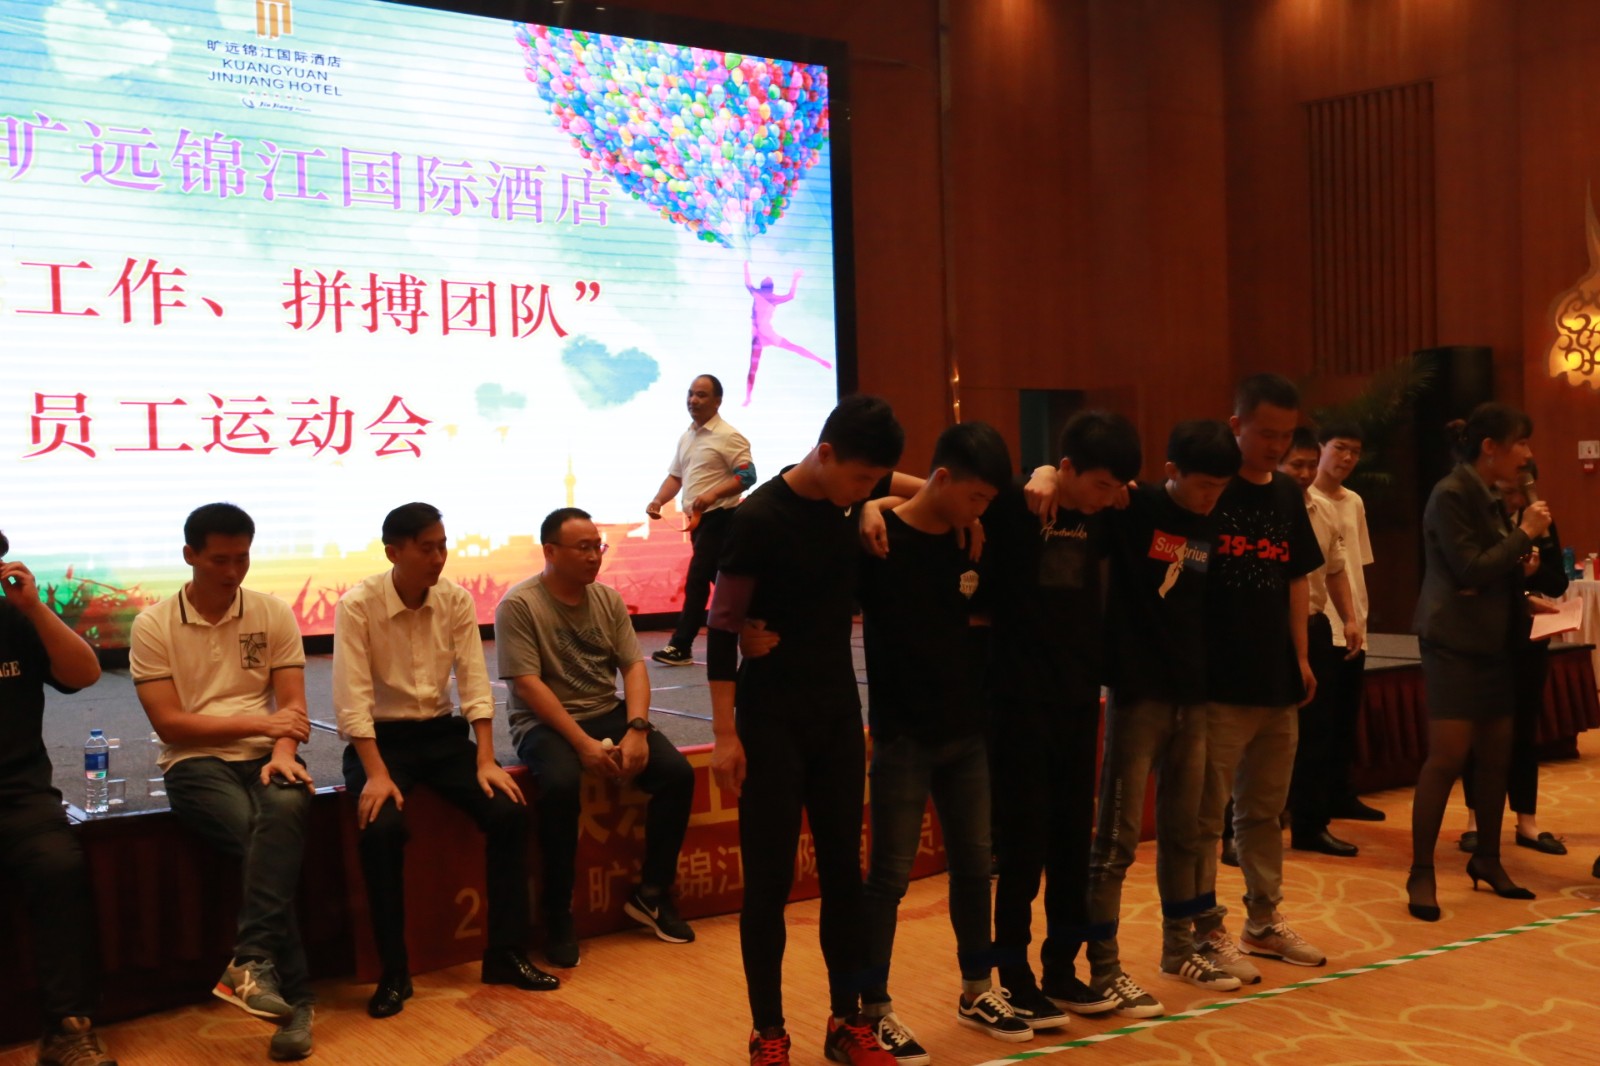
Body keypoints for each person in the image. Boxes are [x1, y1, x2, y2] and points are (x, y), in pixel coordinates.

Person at [706, 394, 905, 1066]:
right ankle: (768, 1031)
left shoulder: (853, 502)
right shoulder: (758, 518)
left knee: (844, 875)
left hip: (838, 716)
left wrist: (873, 501)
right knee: (768, 882)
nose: (866, 489)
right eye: (860, 479)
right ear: (824, 454)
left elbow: (912, 487)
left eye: (874, 481)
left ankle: (846, 1021)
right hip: (770, 720)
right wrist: (725, 735)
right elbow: (723, 626)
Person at [334, 503, 557, 1020]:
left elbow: (475, 681)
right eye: (426, 548)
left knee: (507, 811)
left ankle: (504, 954)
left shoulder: (455, 599)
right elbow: (351, 699)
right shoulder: (358, 605)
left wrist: (486, 758)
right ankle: (394, 971)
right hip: (381, 742)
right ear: (394, 552)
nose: (439, 558)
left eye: (442, 546)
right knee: (381, 829)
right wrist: (376, 774)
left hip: (440, 736)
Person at [856, 422, 1031, 1061]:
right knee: (889, 878)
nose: (981, 510)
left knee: (974, 869)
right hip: (904, 735)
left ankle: (977, 989)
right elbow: (841, 487)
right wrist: (870, 505)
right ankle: (874, 1009)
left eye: (988, 501)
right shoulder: (879, 537)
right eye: (975, 497)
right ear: (943, 478)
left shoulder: (968, 537)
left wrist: (979, 514)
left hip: (966, 733)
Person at [131, 503, 315, 1061]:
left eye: (242, 558)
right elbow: (172, 725)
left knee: (287, 807)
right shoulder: (153, 625)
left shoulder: (272, 612)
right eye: (219, 560)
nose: (233, 572)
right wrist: (266, 725)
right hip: (194, 762)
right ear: (190, 555)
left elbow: (293, 710)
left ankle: (250, 963)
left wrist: (283, 752)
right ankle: (298, 1001)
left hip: (264, 755)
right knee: (256, 834)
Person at [1082, 420, 1243, 1019]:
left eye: (1220, 488)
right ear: (1171, 471)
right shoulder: (1134, 507)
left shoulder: (1211, 520)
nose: (1210, 498)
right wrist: (1045, 473)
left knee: (1186, 831)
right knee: (1116, 840)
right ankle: (1103, 968)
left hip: (1192, 697)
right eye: (1202, 486)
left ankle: (1179, 950)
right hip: (1139, 696)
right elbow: (1068, 491)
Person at [499, 507, 696, 971]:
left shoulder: (606, 599)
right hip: (543, 722)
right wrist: (582, 744)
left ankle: (652, 893)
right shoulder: (520, 604)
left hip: (605, 712)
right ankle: (558, 914)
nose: (594, 556)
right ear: (550, 552)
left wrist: (637, 728)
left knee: (677, 774)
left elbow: (633, 667)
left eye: (597, 547)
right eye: (583, 548)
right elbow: (527, 685)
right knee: (562, 783)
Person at [994, 411, 1141, 1022]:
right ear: (1068, 468)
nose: (1107, 498)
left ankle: (1062, 969)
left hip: (1080, 700)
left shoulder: (1106, 512)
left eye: (1115, 488)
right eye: (1099, 484)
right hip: (1017, 701)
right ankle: (1012, 975)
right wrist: (1043, 472)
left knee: (1071, 845)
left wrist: (1101, 488)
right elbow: (926, 489)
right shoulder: (1018, 504)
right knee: (1022, 845)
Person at [1191, 375, 1326, 980]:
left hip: (1276, 680)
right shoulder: (1209, 490)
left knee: (1265, 812)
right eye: (1265, 433)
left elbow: (1296, 578)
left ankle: (1263, 921)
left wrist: (1301, 657)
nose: (1276, 446)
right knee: (1205, 817)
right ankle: (1203, 929)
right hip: (1218, 684)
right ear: (1235, 426)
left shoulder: (1288, 495)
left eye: (1286, 435)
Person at [1407, 403, 1553, 920]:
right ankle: (1421, 872)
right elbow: (1468, 567)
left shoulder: (1489, 495)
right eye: (1521, 443)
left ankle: (1488, 859)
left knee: (1495, 757)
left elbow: (1488, 571)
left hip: (1494, 640)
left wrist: (1521, 591)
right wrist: (1525, 533)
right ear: (1490, 448)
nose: (1527, 455)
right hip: (1453, 641)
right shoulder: (1451, 493)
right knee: (1446, 758)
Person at [0, 529, 114, 1066]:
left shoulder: (16, 620)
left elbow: (85, 673)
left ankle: (68, 1028)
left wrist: (36, 609)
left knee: (59, 868)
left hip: (20, 793)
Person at [1458, 466, 1569, 855]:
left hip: (1527, 639)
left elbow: (1559, 582)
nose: (1516, 499)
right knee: (1480, 730)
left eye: (1522, 490)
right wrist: (1516, 577)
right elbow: (1472, 575)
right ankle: (1474, 821)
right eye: (1508, 491)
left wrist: (1535, 572)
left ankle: (1527, 822)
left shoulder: (1541, 522)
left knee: (1524, 729)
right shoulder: (1482, 520)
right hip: (1486, 637)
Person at [1280, 428, 1366, 858]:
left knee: (1317, 732)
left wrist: (1349, 618)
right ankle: (1238, 831)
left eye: (1309, 465)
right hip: (1268, 629)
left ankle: (1311, 826)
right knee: (1258, 735)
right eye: (1296, 465)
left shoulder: (1325, 510)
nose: (1305, 473)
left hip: (1315, 625)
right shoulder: (1260, 509)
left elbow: (1335, 570)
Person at [646, 374, 756, 667]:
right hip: (699, 524)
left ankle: (681, 645)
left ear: (718, 401)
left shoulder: (728, 436)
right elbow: (676, 477)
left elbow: (747, 476)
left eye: (702, 395)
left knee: (697, 580)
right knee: (721, 579)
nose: (693, 400)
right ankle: (760, 622)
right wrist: (658, 500)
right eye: (691, 394)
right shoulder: (688, 437)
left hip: (721, 518)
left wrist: (713, 494)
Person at [1309, 423, 1384, 824]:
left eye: (1354, 451)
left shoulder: (1354, 501)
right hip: (1320, 624)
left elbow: (1357, 563)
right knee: (1318, 721)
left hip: (1355, 622)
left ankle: (1342, 795)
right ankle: (1313, 803)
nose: (1348, 458)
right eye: (1340, 448)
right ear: (1320, 448)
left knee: (1345, 719)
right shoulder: (1305, 499)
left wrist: (1358, 616)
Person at [742, 261, 830, 406]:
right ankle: (748, 397)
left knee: (791, 349)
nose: (767, 279)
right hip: (760, 336)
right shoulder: (762, 295)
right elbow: (789, 295)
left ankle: (820, 360)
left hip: (765, 334)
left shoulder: (764, 295)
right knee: (754, 367)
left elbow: (789, 295)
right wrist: (745, 266)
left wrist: (795, 278)